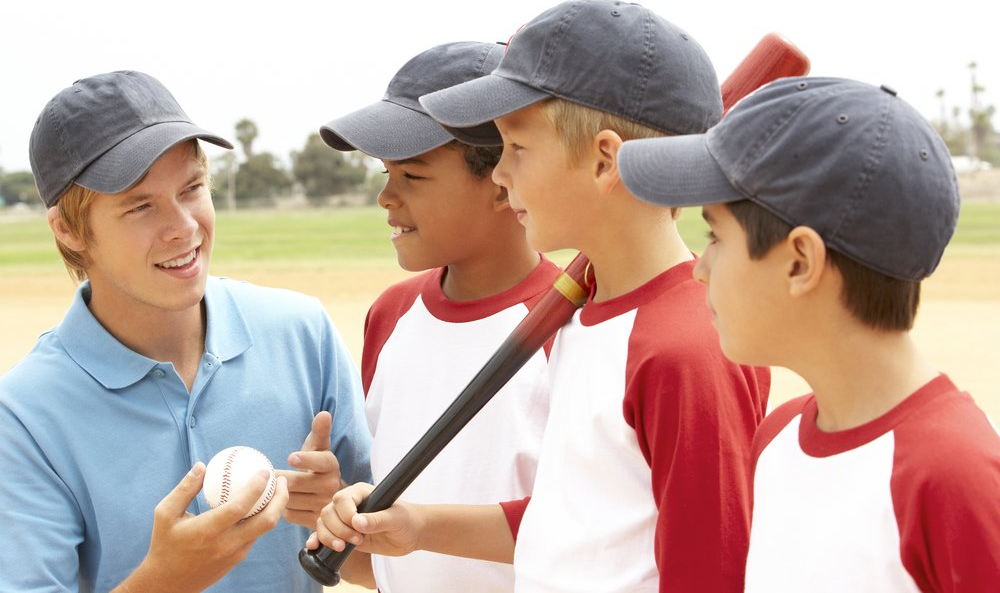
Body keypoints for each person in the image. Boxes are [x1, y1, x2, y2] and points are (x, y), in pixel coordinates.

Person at [309, 2, 770, 591]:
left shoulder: (685, 349)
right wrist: (419, 525)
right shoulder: (587, 315)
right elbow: (573, 521)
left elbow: (713, 569)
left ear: (605, 160)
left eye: (516, 150)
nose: (499, 175)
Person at [617, 76, 1000, 590]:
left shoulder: (955, 475)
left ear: (800, 262)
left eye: (715, 235)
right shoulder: (777, 441)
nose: (700, 268)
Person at [0, 70, 372, 592]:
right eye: (140, 205)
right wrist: (163, 581)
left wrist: (343, 519)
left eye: (192, 187)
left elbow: (394, 564)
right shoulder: (21, 416)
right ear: (68, 229)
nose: (185, 227)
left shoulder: (301, 331)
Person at [315, 41, 561, 591]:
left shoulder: (571, 327)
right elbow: (394, 567)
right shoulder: (393, 314)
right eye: (385, 172)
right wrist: (334, 512)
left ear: (504, 181)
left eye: (413, 176)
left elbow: (586, 531)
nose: (385, 196)